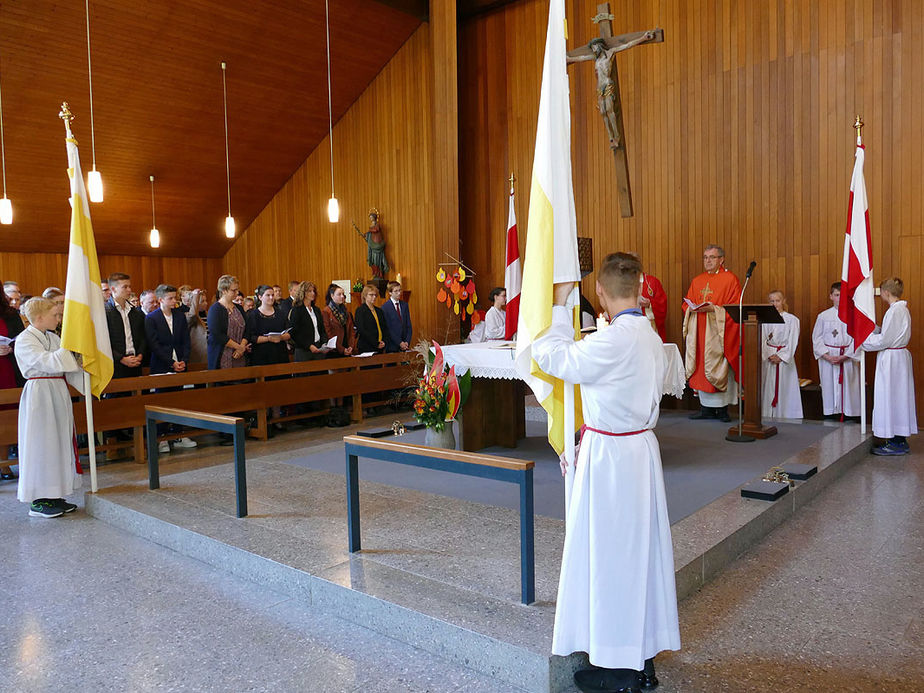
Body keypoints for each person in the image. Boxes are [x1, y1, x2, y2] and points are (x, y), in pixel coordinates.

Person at [532, 252, 679, 693]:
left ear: (600, 293)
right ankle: (642, 659)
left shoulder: (613, 340)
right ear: (639, 288)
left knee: (615, 559)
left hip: (613, 460)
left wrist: (558, 307)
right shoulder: (649, 335)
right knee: (641, 557)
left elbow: (550, 356)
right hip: (639, 453)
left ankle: (622, 672)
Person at [14, 297, 86, 518]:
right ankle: (38, 500)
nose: (59, 318)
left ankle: (54, 494)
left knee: (59, 442)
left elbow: (67, 366)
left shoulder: (53, 337)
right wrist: (70, 348)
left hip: (57, 391)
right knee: (42, 443)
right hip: (39, 395)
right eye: (55, 315)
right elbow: (48, 361)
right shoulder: (25, 340)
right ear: (39, 318)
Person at [681, 244, 741, 422]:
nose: (708, 260)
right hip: (699, 331)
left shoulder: (730, 279)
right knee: (701, 367)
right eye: (705, 257)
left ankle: (722, 410)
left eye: (712, 257)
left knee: (717, 365)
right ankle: (705, 409)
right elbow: (687, 304)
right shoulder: (697, 280)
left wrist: (714, 309)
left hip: (718, 332)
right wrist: (692, 308)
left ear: (721, 259)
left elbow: (735, 307)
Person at [862, 278, 917, 455]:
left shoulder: (895, 311)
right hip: (897, 358)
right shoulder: (900, 309)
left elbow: (886, 340)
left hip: (893, 359)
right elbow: (889, 333)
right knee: (897, 397)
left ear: (885, 292)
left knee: (891, 397)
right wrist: (874, 329)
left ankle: (896, 442)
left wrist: (864, 342)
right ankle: (898, 439)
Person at [146, 284, 196, 453]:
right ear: (161, 300)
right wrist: (170, 362)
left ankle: (179, 434)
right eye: (171, 298)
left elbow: (186, 341)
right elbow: (154, 345)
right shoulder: (152, 318)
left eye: (175, 297)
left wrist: (183, 360)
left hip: (180, 364)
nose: (175, 301)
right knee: (162, 401)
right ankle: (161, 438)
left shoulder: (180, 316)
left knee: (179, 400)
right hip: (162, 365)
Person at [811, 282, 861, 421]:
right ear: (831, 296)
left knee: (849, 388)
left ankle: (850, 414)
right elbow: (817, 338)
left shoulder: (853, 315)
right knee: (829, 387)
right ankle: (831, 413)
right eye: (837, 295)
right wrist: (827, 356)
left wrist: (845, 356)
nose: (840, 298)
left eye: (843, 295)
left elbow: (857, 339)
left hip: (847, 357)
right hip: (828, 358)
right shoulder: (823, 316)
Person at [761, 290, 803, 419]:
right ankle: (767, 414)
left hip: (784, 360)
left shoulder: (792, 320)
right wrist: (769, 354)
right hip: (769, 358)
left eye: (777, 301)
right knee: (768, 388)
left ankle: (786, 414)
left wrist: (781, 356)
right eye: (772, 301)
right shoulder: (764, 319)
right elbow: (762, 340)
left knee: (785, 387)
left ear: (783, 301)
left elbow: (793, 341)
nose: (775, 304)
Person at [1, 289, 25, 479]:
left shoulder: (10, 314)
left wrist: (11, 347)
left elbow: (22, 339)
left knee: (7, 414)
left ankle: (4, 464)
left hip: (8, 369)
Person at [105, 273, 147, 379]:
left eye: (130, 286)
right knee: (118, 395)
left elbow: (142, 337)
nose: (129, 290)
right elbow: (104, 341)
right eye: (125, 287)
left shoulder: (135, 312)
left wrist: (140, 355)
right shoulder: (105, 312)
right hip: (116, 364)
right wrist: (121, 358)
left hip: (136, 361)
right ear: (113, 289)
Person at [207, 275, 251, 371]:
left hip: (240, 354)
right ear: (224, 291)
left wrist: (242, 347)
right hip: (222, 355)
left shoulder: (238, 308)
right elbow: (217, 334)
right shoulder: (215, 309)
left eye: (237, 289)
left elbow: (248, 329)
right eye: (233, 290)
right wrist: (238, 347)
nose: (237, 292)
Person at [247, 285, 291, 366]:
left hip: (280, 354)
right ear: (260, 297)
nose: (271, 297)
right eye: (268, 295)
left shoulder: (280, 313)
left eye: (272, 295)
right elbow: (251, 337)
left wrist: (281, 337)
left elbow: (289, 333)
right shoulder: (253, 315)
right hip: (261, 355)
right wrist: (268, 339)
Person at [289, 281, 328, 362]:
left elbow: (321, 329)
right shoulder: (297, 310)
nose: (313, 293)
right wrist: (309, 346)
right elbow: (295, 333)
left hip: (318, 348)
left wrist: (324, 343)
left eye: (313, 291)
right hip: (304, 350)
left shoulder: (316, 310)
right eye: (309, 291)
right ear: (303, 293)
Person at [321, 284, 356, 356]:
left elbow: (351, 330)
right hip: (334, 349)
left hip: (347, 346)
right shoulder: (326, 311)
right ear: (332, 296)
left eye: (343, 294)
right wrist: (341, 349)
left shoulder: (346, 311)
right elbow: (328, 333)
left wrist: (351, 346)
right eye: (339, 294)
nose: (342, 296)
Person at [354, 284, 388, 354]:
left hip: (380, 346)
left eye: (375, 295)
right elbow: (362, 330)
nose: (374, 297)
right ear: (365, 296)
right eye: (371, 295)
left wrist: (384, 341)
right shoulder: (360, 310)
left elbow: (384, 328)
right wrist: (376, 343)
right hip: (367, 347)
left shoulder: (379, 311)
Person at [381, 281, 412, 352]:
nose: (399, 293)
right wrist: (400, 342)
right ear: (390, 293)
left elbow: (408, 325)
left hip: (405, 345)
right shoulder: (385, 308)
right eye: (396, 291)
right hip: (392, 345)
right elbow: (388, 329)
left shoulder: (405, 305)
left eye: (399, 290)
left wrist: (407, 341)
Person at [183, 289, 208, 366]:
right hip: (198, 355)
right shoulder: (187, 315)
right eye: (202, 301)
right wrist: (195, 296)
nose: (206, 303)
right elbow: (193, 315)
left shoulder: (208, 314)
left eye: (205, 301)